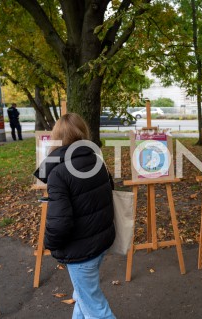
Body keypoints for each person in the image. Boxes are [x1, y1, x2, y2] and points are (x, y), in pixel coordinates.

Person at [33, 113, 116, 319]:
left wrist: (49, 243)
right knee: (82, 296)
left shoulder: (58, 172)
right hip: (100, 242)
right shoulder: (96, 160)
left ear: (56, 137)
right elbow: (107, 192)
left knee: (96, 310)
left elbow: (60, 223)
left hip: (81, 250)